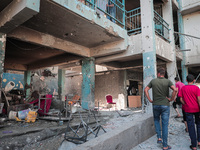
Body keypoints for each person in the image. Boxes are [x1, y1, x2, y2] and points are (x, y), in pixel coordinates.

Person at [144, 67, 177, 150]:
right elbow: (175, 90)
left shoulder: (153, 81)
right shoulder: (167, 81)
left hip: (155, 104)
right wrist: (171, 99)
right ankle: (165, 146)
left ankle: (159, 137)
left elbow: (145, 90)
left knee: (156, 120)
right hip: (165, 105)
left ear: (158, 73)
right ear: (163, 74)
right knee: (165, 125)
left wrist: (150, 100)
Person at [179, 74, 200, 150]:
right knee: (198, 124)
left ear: (186, 80)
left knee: (191, 126)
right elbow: (199, 99)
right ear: (194, 80)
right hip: (197, 109)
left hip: (188, 109)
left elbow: (180, 99)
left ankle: (194, 146)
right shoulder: (196, 88)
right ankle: (199, 142)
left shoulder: (183, 88)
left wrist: (185, 103)